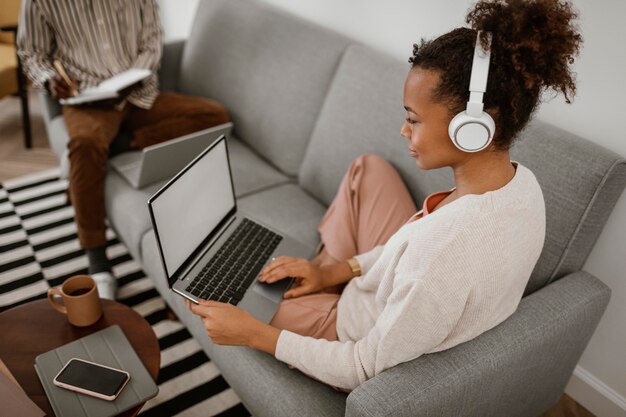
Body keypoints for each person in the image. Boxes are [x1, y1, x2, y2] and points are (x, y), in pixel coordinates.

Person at [186, 0, 581, 391]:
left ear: (473, 126)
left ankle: (320, 293)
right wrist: (334, 272)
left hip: (349, 332)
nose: (403, 131)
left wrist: (255, 335)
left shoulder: (442, 255)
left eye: (413, 119)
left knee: (222, 301)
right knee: (368, 168)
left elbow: (362, 367)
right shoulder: (522, 186)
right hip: (391, 284)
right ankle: (324, 271)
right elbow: (409, 251)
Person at [17, 0, 230, 299]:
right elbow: (32, 54)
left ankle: (119, 145)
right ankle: (98, 261)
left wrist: (133, 77)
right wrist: (50, 81)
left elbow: (152, 40)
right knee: (85, 143)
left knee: (215, 116)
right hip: (87, 102)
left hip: (139, 94)